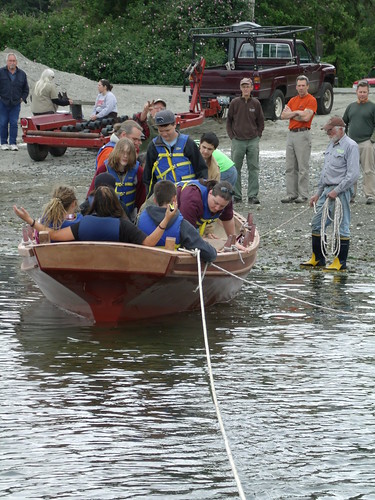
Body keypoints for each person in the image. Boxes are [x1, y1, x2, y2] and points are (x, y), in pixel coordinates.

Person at [13, 185, 175, 246]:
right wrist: (166, 219)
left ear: (94, 204)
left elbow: (53, 234)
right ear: (115, 204)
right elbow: (148, 243)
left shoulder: (84, 224)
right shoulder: (123, 225)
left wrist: (30, 220)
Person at [301, 116, 360, 271]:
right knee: (316, 223)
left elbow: (353, 174)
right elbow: (325, 172)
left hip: (341, 191)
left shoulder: (351, 146)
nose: (328, 133)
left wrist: (337, 190)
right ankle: (318, 258)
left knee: (342, 225)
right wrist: (317, 193)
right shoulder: (331, 144)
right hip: (326, 190)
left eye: (330, 130)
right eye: (327, 130)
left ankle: (340, 262)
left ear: (341, 129)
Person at [137, 180, 217, 262]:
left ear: (154, 200)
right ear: (175, 199)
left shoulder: (140, 218)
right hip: (169, 265)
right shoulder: (181, 223)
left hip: (143, 262)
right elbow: (209, 254)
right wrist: (214, 252)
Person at [143, 109, 208, 197]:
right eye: (161, 131)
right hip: (165, 196)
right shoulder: (153, 147)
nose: (164, 134)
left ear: (174, 124)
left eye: (167, 130)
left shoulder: (188, 143)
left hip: (188, 194)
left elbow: (201, 170)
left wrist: (201, 193)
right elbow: (148, 177)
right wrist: (151, 197)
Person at [226, 77, 264, 204]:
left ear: (252, 87)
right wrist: (232, 136)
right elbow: (229, 121)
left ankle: (252, 195)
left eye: (248, 86)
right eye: (243, 86)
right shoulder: (234, 103)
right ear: (240, 88)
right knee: (235, 169)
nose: (246, 88)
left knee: (253, 168)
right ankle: (237, 195)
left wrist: (258, 135)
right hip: (238, 141)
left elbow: (261, 122)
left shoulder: (256, 103)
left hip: (253, 140)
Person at [88, 138, 145, 221]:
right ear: (116, 152)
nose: (125, 156)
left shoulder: (138, 171)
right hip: (107, 216)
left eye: (128, 153)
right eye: (122, 152)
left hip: (129, 217)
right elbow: (92, 193)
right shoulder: (104, 169)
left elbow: (142, 197)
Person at [280, 75, 317, 203]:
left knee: (302, 166)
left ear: (307, 86)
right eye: (299, 85)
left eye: (303, 85)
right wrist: (298, 112)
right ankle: (291, 194)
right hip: (291, 134)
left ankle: (303, 194)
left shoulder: (311, 100)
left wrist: (292, 113)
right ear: (296, 87)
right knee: (290, 166)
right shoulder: (292, 100)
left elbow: (306, 118)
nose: (301, 88)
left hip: (303, 134)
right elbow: (283, 115)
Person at [343, 79, 375, 204]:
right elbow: (344, 122)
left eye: (365, 92)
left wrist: (372, 140)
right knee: (351, 171)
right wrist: (344, 139)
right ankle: (351, 195)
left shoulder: (372, 107)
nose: (362, 94)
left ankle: (370, 195)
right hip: (352, 144)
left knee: (368, 170)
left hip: (367, 143)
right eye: (360, 92)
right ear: (356, 92)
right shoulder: (351, 107)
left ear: (368, 92)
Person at [0, 52, 29, 151]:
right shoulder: (1, 72)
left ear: (16, 62)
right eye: (10, 61)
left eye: (13, 61)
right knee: (3, 122)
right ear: (7, 62)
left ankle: (13, 143)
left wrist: (22, 98)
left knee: (13, 123)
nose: (12, 62)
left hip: (16, 103)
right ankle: (3, 142)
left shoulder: (22, 74)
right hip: (3, 102)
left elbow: (26, 89)